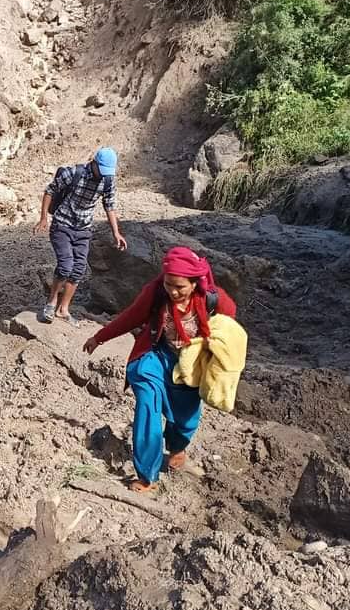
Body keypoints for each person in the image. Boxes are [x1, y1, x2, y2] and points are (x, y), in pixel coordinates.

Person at [82, 246, 237, 493]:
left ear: (195, 283)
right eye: (168, 285)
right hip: (156, 356)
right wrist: (100, 337)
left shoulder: (213, 299)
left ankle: (177, 449)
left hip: (190, 365)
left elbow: (230, 323)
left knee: (185, 418)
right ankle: (147, 475)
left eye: (180, 287)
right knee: (148, 405)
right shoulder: (155, 293)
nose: (173, 291)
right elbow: (131, 316)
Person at [33, 147, 127, 325]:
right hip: (62, 224)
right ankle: (51, 303)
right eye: (103, 170)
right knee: (65, 265)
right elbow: (50, 191)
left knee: (78, 269)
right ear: (94, 163)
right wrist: (44, 218)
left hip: (84, 229)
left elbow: (110, 205)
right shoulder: (74, 173)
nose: (105, 175)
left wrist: (116, 232)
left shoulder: (108, 181)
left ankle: (63, 309)